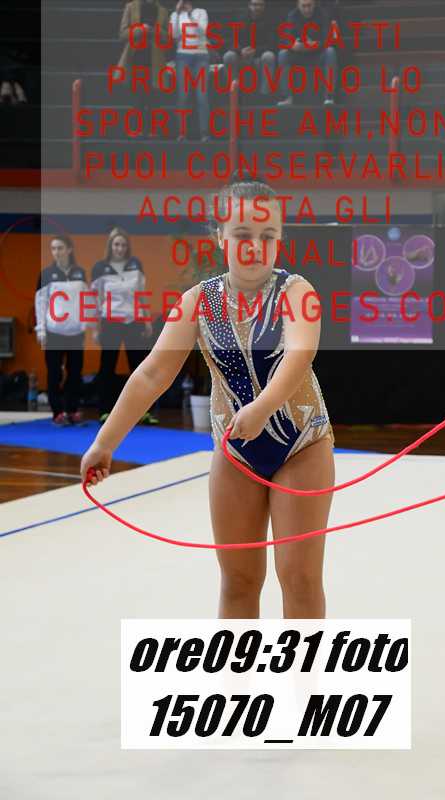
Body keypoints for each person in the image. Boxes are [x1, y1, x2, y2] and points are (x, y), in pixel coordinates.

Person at [80, 171, 336, 619]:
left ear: (280, 239)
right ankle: (237, 667)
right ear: (220, 236)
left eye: (267, 235)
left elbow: (300, 354)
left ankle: (304, 667)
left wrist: (262, 408)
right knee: (238, 581)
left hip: (301, 445)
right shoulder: (198, 302)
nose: (255, 246)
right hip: (236, 451)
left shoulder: (297, 292)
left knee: (299, 577)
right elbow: (152, 374)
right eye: (242, 234)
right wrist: (104, 443)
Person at [90, 227, 159, 425]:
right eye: (116, 244)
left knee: (139, 368)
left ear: (127, 247)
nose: (119, 248)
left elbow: (141, 295)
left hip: (133, 322)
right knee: (107, 367)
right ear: (110, 246)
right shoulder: (100, 268)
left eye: (123, 245)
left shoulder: (136, 265)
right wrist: (95, 327)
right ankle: (105, 410)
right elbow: (96, 300)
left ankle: (144, 412)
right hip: (110, 322)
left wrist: (146, 320)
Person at [35, 235, 88, 426]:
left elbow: (86, 298)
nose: (56, 252)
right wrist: (41, 329)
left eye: (60, 248)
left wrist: (85, 323)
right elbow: (40, 302)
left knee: (75, 373)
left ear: (69, 250)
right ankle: (57, 412)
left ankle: (72, 409)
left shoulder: (80, 273)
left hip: (76, 333)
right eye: (53, 249)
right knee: (54, 373)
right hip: (53, 332)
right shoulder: (46, 274)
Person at [277, 0, 338, 106]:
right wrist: (293, 45)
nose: (307, 9)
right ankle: (287, 97)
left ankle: (329, 96)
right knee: (282, 54)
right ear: (298, 5)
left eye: (309, 6)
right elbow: (285, 39)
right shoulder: (292, 15)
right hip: (299, 54)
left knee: (330, 52)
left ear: (314, 4)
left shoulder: (323, 14)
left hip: (317, 54)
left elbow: (329, 39)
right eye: (304, 6)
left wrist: (315, 44)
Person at [118, 0, 170, 121]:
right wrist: (141, 29)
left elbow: (167, 38)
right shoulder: (131, 7)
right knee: (137, 98)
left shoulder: (163, 11)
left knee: (153, 100)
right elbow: (122, 34)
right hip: (135, 59)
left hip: (155, 61)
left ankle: (152, 128)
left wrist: (154, 30)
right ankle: (137, 127)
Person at [171, 0, 210, 141]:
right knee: (183, 95)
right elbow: (174, 35)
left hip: (201, 56)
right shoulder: (174, 15)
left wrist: (190, 15)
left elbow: (202, 31)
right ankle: (182, 133)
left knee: (202, 96)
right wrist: (177, 13)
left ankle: (204, 133)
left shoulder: (201, 12)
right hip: (183, 56)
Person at [222, 0, 277, 97]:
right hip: (240, 56)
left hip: (259, 57)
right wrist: (240, 50)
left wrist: (255, 50)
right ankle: (233, 93)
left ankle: (265, 95)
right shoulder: (239, 19)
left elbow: (273, 43)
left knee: (269, 56)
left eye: (260, 5)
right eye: (255, 4)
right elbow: (229, 40)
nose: (257, 8)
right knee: (228, 56)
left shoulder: (271, 20)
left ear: (264, 6)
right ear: (249, 5)